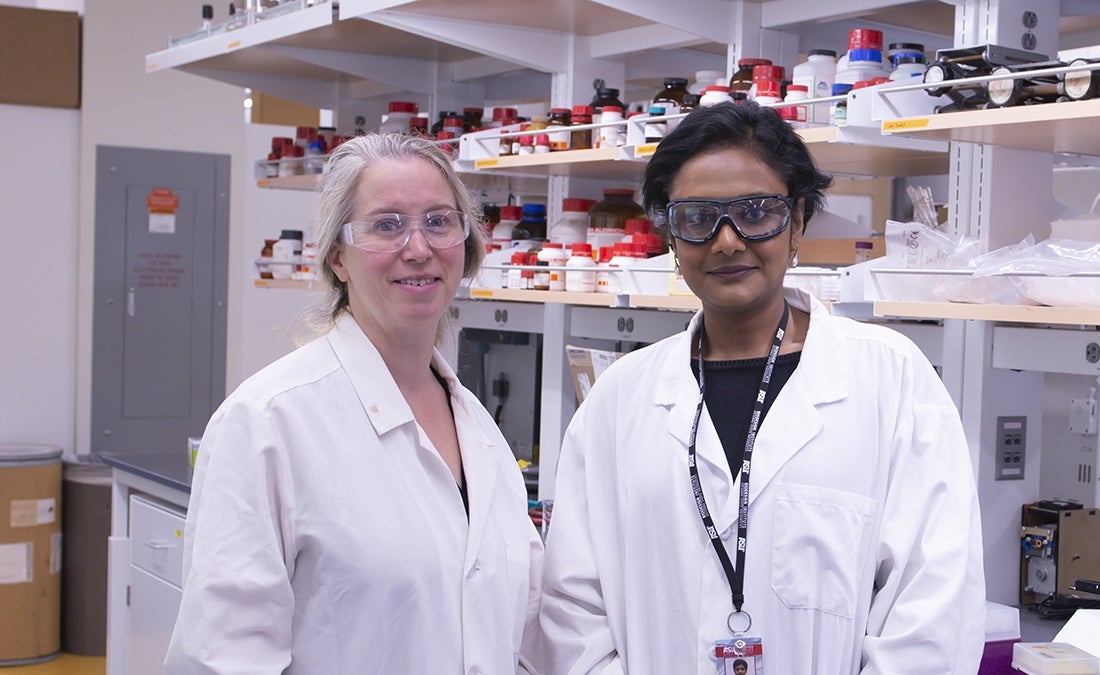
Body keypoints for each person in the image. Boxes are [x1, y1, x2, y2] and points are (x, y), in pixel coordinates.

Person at [540, 102, 985, 674]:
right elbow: (573, 607)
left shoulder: (891, 379)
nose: (727, 241)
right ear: (672, 237)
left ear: (797, 222)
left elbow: (935, 604)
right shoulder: (619, 399)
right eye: (698, 217)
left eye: (756, 212)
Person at [165, 133, 543, 674]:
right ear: (337, 257)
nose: (418, 248)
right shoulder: (269, 422)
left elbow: (522, 628)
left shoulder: (478, 430)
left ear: (466, 244)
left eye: (439, 221)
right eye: (386, 225)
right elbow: (222, 660)